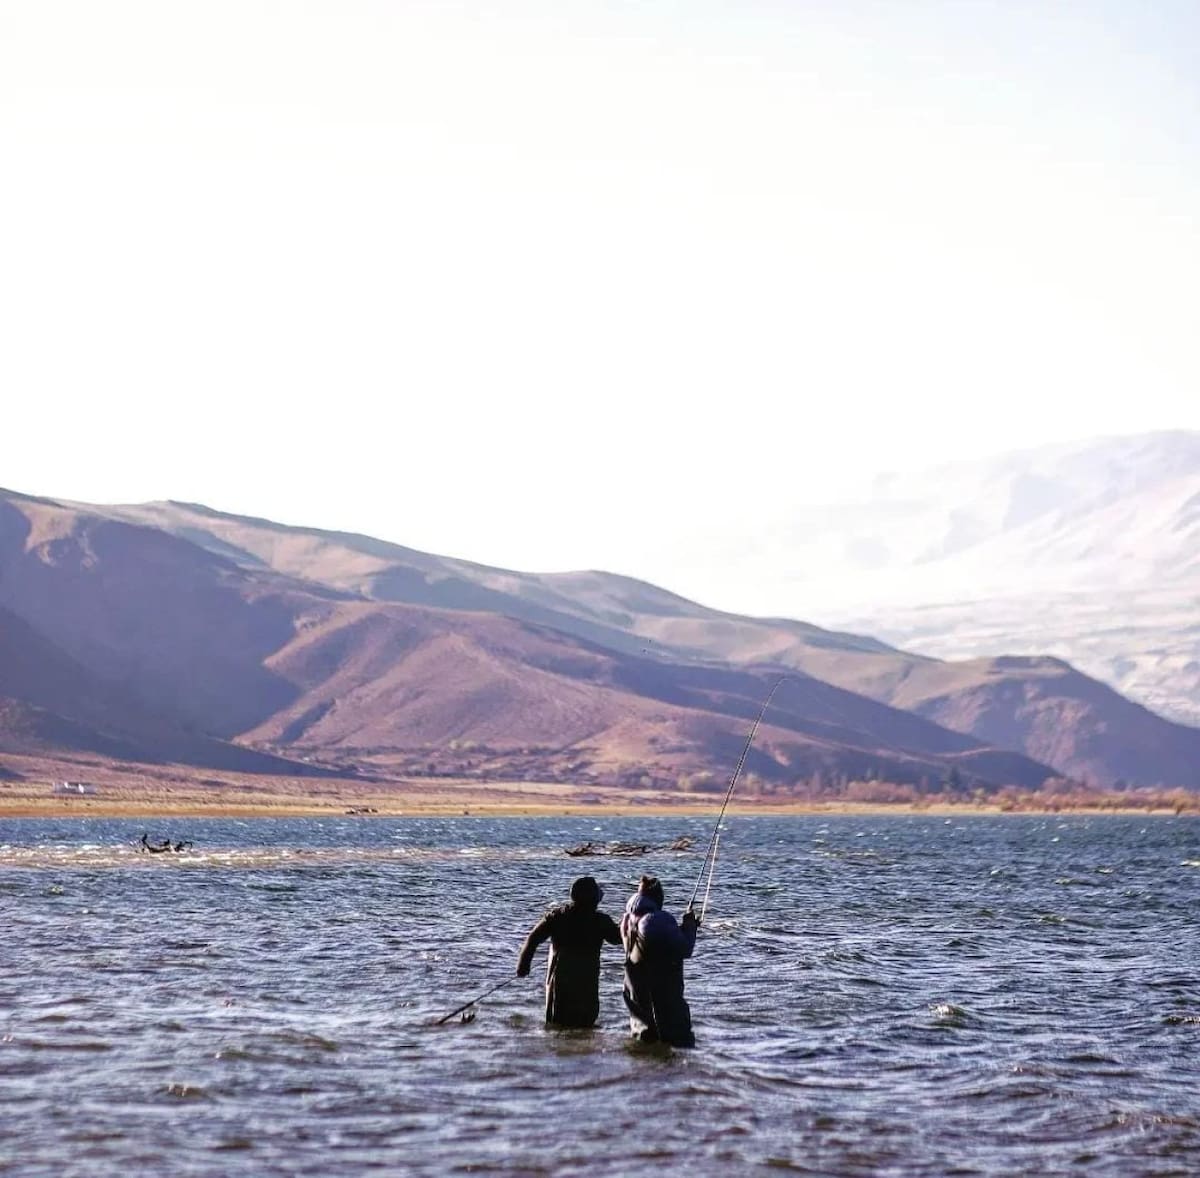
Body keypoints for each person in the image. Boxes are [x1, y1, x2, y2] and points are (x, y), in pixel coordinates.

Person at [516, 876, 622, 1028]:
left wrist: (523, 966)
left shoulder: (557, 916)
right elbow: (617, 939)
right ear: (594, 899)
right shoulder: (601, 921)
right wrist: (629, 924)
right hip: (586, 984)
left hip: (560, 982)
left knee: (557, 1023)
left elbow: (533, 939)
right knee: (585, 1025)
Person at [620, 874, 699, 1047]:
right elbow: (686, 948)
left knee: (644, 1047)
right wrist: (690, 926)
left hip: (637, 994)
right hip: (664, 1005)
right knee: (677, 1050)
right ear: (658, 897)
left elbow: (652, 945)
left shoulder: (627, 919)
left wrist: (684, 928)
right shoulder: (657, 920)